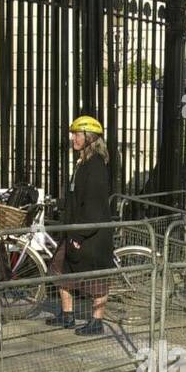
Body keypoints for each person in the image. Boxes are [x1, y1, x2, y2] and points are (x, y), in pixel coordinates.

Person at [46, 115, 114, 336]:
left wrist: (79, 235)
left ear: (89, 137)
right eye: (73, 133)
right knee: (60, 269)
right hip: (75, 229)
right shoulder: (83, 163)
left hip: (91, 235)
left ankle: (97, 321)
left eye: (77, 134)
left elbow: (93, 206)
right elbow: (77, 196)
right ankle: (67, 315)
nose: (73, 138)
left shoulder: (95, 166)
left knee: (96, 280)